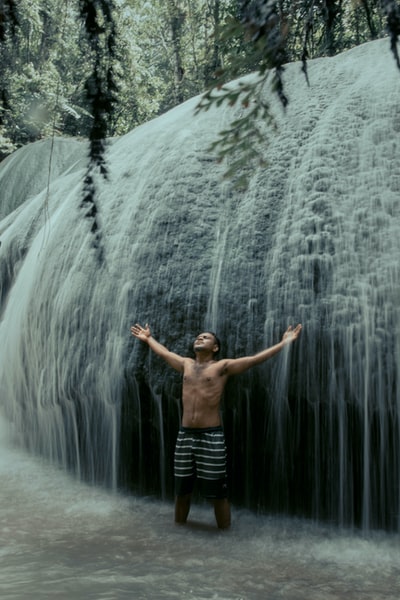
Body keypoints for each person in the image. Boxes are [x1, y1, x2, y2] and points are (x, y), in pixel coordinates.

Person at [130, 322, 302, 529]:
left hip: (211, 436)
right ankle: (178, 535)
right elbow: (165, 353)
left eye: (205, 338)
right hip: (184, 436)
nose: (199, 339)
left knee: (218, 495)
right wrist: (148, 339)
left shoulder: (222, 367)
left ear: (215, 348)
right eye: (198, 337)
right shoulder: (186, 364)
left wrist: (284, 343)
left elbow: (254, 360)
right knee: (181, 492)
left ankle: (224, 537)